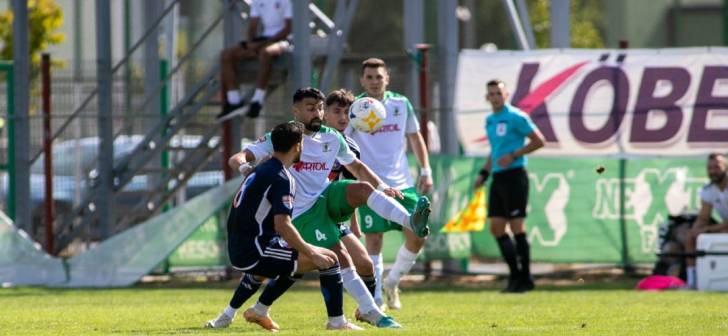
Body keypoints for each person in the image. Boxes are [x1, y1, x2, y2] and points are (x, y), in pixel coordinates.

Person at [226, 87, 431, 329]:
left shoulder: (333, 137)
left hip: (324, 196)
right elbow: (237, 158)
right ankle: (371, 313)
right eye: (311, 108)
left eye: (320, 108)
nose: (318, 113)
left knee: (364, 189)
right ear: (296, 110)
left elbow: (357, 167)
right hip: (300, 213)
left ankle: (410, 221)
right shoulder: (282, 137)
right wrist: (244, 168)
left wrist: (383, 187)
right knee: (338, 257)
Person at [205, 121, 357, 331]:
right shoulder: (282, 177)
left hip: (244, 245)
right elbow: (283, 225)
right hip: (254, 250)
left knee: (294, 263)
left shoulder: (262, 169)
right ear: (298, 146)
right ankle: (337, 323)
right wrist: (311, 252)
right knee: (329, 260)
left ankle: (232, 314)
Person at [345, 58, 433, 311]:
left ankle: (392, 281)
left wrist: (425, 170)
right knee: (373, 240)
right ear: (362, 80)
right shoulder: (356, 108)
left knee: (418, 234)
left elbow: (415, 137)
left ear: (387, 79)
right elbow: (344, 145)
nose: (374, 82)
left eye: (378, 77)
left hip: (402, 184)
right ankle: (377, 300)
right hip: (371, 185)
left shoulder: (400, 103)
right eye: (369, 77)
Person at [473, 79, 545, 293]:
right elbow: (495, 151)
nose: (495, 97)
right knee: (496, 227)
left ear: (506, 95)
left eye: (498, 93)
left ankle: (525, 277)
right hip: (498, 178)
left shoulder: (516, 117)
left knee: (516, 227)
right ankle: (515, 275)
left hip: (515, 176)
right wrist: (484, 173)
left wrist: (514, 155)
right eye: (491, 94)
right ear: (487, 98)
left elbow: (538, 141)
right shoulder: (490, 120)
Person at [323, 89, 383, 321]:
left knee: (366, 265)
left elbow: (350, 189)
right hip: (305, 214)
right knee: (285, 271)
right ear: (324, 113)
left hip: (334, 217)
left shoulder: (349, 148)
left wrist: (354, 224)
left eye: (347, 112)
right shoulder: (310, 141)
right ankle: (246, 310)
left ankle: (365, 311)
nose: (342, 117)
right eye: (336, 111)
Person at [217, 0, 292, 121]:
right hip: (262, 40)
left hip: (284, 41)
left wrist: (261, 45)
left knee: (266, 53)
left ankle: (257, 101)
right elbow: (253, 26)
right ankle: (234, 102)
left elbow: (288, 29)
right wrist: (251, 44)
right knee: (226, 55)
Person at [684, 153, 728, 289]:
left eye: (717, 166)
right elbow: (703, 217)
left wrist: (708, 230)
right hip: (723, 228)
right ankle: (692, 282)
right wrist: (696, 232)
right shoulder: (708, 190)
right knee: (690, 236)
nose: (713, 171)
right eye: (710, 168)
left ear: (726, 166)